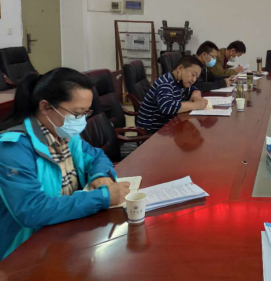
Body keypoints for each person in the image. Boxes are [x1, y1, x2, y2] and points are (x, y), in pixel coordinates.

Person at [0, 68, 131, 261]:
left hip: (65, 233)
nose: (82, 121)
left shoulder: (65, 135)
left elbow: (96, 156)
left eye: (86, 113)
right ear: (45, 107)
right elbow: (31, 210)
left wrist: (100, 175)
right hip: (24, 251)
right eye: (76, 114)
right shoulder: (13, 149)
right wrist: (102, 197)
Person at [136, 55, 208, 133]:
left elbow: (193, 89)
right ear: (180, 68)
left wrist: (196, 95)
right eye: (193, 75)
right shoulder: (165, 84)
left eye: (196, 77)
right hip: (153, 131)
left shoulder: (179, 81)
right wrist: (195, 105)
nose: (194, 80)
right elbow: (167, 107)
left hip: (167, 126)